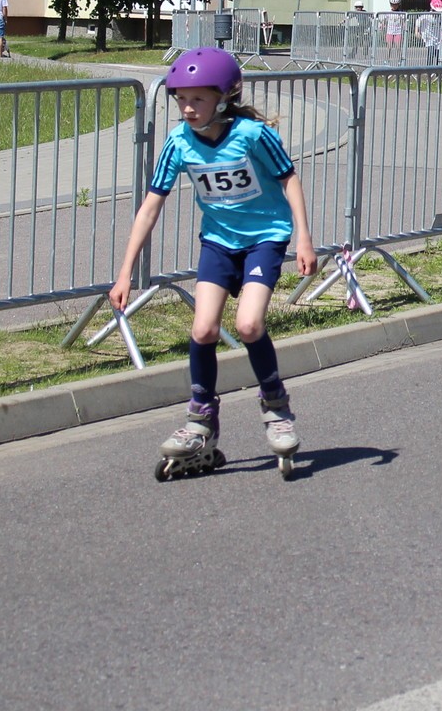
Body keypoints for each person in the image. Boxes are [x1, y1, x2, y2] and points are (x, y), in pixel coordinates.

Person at [108, 48, 317, 480]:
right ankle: (201, 418)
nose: (187, 108)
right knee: (203, 329)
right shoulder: (178, 142)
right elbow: (150, 207)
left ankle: (276, 407)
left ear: (224, 99)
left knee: (249, 325)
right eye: (181, 99)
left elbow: (289, 179)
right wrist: (125, 272)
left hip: (264, 238)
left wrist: (304, 238)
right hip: (219, 243)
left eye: (198, 99)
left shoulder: (253, 135)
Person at [419, 0, 442, 65]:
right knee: (431, 54)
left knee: (438, 57)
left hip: (439, 39)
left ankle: (438, 69)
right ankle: (429, 69)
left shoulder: (441, 16)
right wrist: (417, 31)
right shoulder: (427, 15)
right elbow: (418, 21)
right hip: (430, 39)